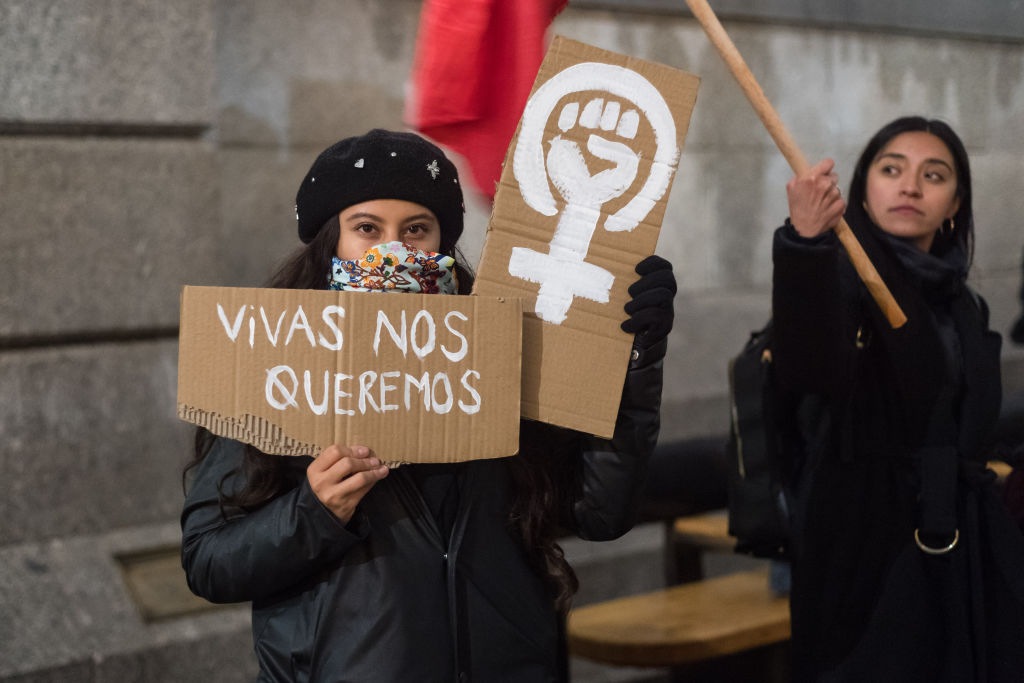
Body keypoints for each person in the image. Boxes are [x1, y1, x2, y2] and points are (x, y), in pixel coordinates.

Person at [180, 129, 675, 682]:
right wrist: (314, 513)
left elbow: (600, 511)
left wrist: (628, 367)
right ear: (330, 243)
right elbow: (208, 562)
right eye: (367, 229)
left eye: (416, 229)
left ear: (443, 242)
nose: (394, 251)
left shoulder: (502, 353)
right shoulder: (270, 365)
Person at [772, 116, 1024, 682]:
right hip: (862, 549)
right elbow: (806, 368)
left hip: (952, 542)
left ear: (955, 203)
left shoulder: (964, 304)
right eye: (892, 170)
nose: (910, 186)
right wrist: (803, 243)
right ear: (863, 188)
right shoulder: (838, 278)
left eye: (933, 175)